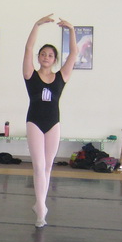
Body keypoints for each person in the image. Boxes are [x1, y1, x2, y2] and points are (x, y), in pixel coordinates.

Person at [22, 14, 78, 228]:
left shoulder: (61, 77)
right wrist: (36, 25)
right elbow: (28, 48)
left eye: (51, 55)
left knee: (48, 167)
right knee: (38, 166)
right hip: (34, 122)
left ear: (55, 59)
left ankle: (41, 204)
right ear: (39, 57)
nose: (46, 57)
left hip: (53, 123)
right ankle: (40, 211)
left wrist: (71, 30)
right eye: (43, 54)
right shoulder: (30, 74)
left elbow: (74, 54)